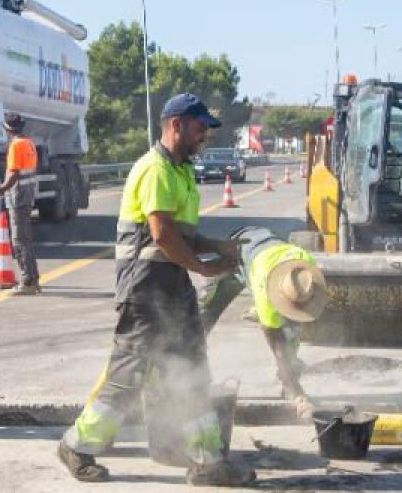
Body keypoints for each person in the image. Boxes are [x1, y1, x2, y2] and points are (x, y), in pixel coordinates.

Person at [57, 93, 256, 487]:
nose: (205, 137)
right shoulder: (156, 169)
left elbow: (183, 233)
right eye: (200, 128)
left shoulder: (181, 171)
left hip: (172, 287)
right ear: (176, 124)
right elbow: (161, 233)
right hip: (145, 290)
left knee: (192, 369)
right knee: (128, 375)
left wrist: (218, 247)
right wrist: (203, 266)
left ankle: (207, 461)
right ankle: (76, 445)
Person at [197, 226, 328, 423]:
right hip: (237, 254)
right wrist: (296, 389)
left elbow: (298, 323)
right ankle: (189, 374)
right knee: (205, 315)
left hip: (265, 251)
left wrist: (290, 373)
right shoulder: (265, 288)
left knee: (292, 329)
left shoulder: (306, 273)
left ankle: (288, 383)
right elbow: (275, 341)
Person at [0, 112, 40, 295]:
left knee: (19, 240)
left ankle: (27, 282)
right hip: (27, 196)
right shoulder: (29, 143)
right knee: (26, 239)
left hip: (17, 196)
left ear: (7, 129)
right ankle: (33, 279)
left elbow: (13, 175)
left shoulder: (15, 146)